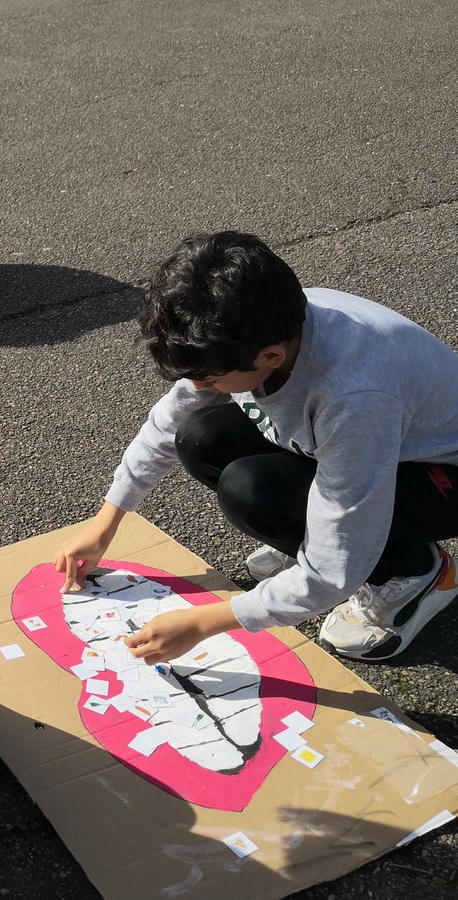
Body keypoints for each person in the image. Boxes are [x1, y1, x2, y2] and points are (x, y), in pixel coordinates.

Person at [55, 231, 458, 663]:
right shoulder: (255, 320)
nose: (198, 387)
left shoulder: (355, 396)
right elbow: (170, 422)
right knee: (198, 437)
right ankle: (308, 537)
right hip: (379, 442)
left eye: (209, 379)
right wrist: (108, 518)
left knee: (251, 491)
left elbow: (332, 569)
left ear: (269, 357)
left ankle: (413, 570)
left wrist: (203, 623)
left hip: (439, 475)